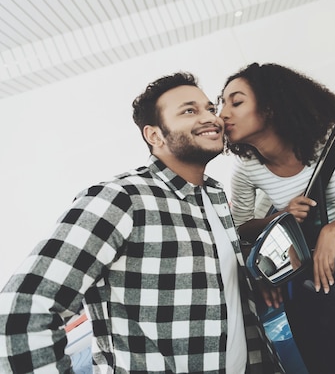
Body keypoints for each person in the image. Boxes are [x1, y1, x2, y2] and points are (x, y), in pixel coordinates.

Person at [0, 72, 282, 373]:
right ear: (155, 135)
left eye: (209, 108)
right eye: (189, 110)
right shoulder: (120, 199)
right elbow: (19, 314)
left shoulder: (213, 195)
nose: (211, 118)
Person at [219, 63, 335, 294]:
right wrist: (283, 216)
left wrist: (332, 230)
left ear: (269, 107)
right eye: (222, 103)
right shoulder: (246, 169)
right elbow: (241, 228)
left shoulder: (327, 138)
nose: (222, 114)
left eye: (236, 103)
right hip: (311, 269)